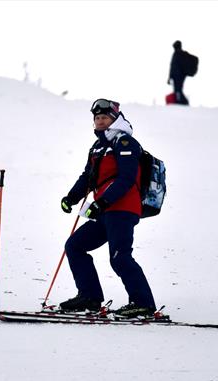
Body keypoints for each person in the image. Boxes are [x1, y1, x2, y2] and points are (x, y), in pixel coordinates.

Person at [59, 99, 157, 318]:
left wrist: (101, 203)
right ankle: (90, 297)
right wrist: (71, 197)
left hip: (122, 209)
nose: (100, 121)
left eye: (105, 118)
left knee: (120, 257)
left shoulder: (125, 143)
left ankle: (144, 304)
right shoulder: (98, 147)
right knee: (74, 246)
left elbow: (126, 179)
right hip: (103, 210)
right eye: (97, 118)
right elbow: (88, 177)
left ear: (115, 120)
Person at [167, 40, 190, 105]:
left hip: (177, 76)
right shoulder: (183, 54)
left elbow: (172, 67)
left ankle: (183, 102)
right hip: (181, 76)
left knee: (178, 90)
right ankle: (180, 101)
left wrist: (169, 77)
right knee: (178, 90)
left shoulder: (177, 54)